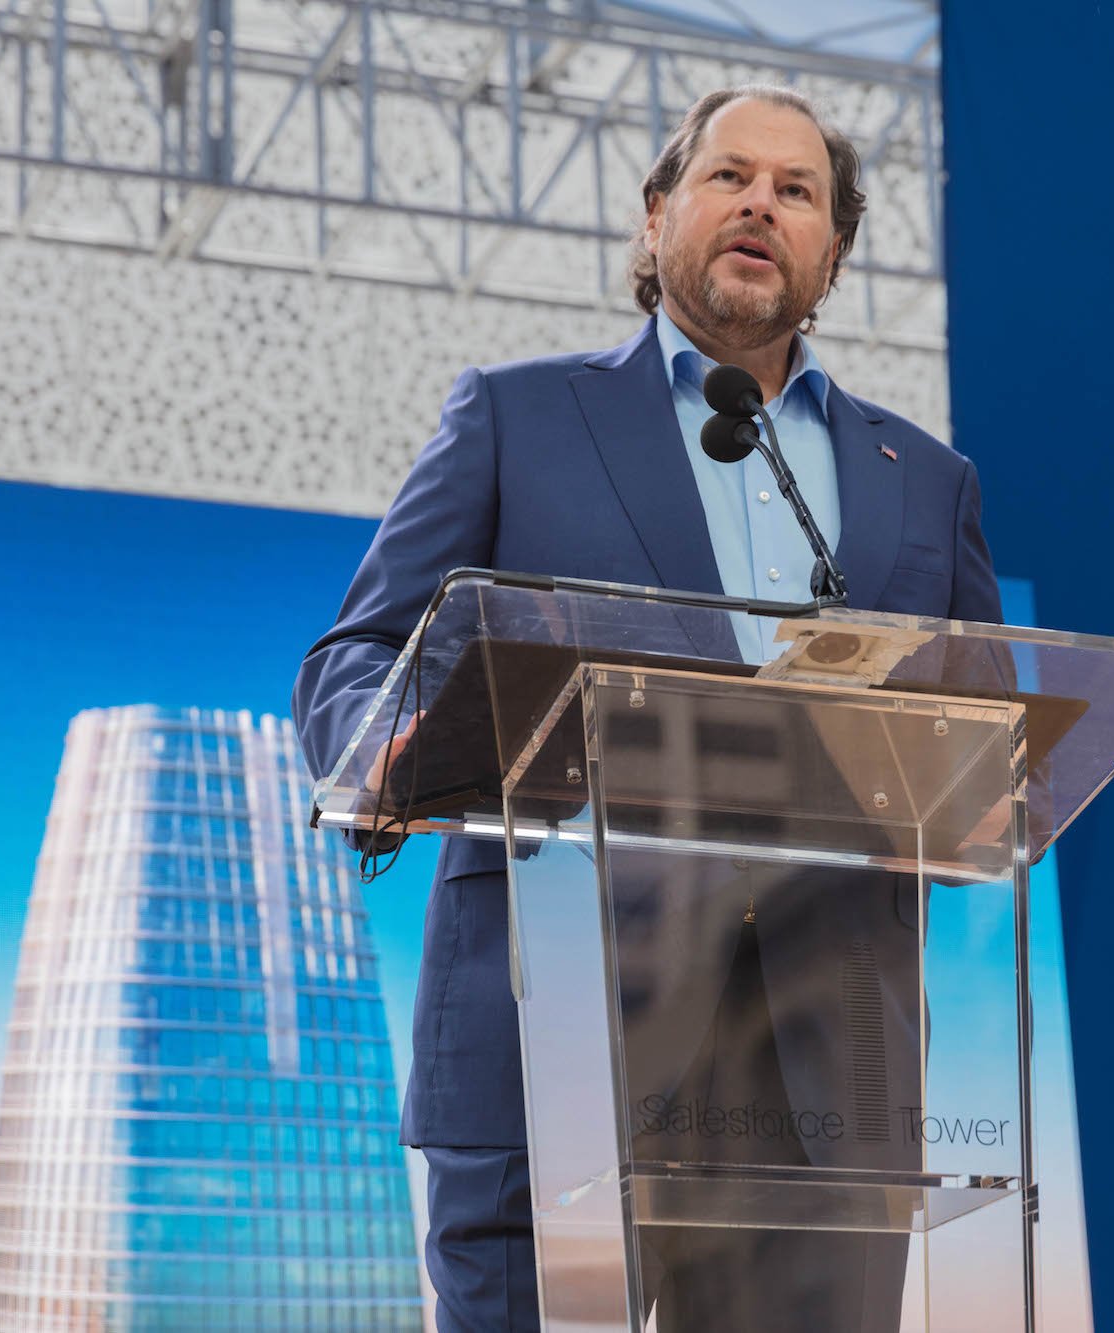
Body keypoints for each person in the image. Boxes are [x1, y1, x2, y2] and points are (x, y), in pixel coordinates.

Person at [294, 83, 1003, 1332]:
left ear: (832, 249)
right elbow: (359, 649)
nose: (760, 205)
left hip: (825, 1074)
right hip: (555, 1031)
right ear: (657, 210)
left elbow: (981, 748)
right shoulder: (517, 416)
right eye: (730, 176)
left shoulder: (926, 483)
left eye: (796, 191)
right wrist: (384, 743)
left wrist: (975, 780)